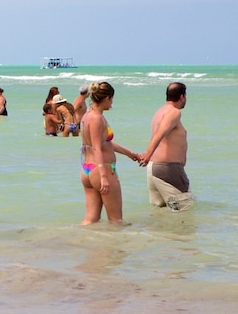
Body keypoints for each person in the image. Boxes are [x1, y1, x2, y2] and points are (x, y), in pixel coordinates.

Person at [79, 81, 140, 225]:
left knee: (90, 220)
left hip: (87, 169)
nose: (111, 103)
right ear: (106, 98)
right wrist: (103, 176)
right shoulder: (97, 119)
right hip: (102, 169)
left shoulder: (87, 116)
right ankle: (114, 248)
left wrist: (129, 153)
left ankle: (82, 244)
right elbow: (97, 148)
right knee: (116, 220)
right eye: (111, 99)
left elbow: (104, 143)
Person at [138, 82, 193, 212]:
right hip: (168, 169)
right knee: (183, 210)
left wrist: (148, 157)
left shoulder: (160, 112)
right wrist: (147, 153)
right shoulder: (174, 112)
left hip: (154, 169)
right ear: (182, 97)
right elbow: (160, 133)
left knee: (160, 211)